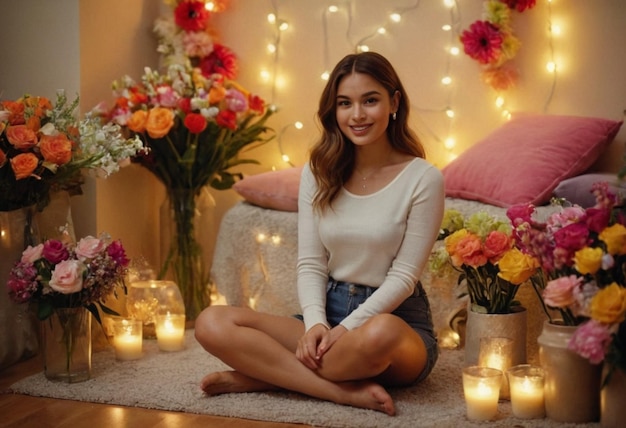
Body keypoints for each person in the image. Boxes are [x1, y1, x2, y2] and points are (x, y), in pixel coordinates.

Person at [195, 51, 445, 416]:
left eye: (370, 100)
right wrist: (316, 323)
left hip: (395, 322)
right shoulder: (320, 170)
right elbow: (311, 262)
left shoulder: (423, 178)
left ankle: (263, 376)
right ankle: (342, 393)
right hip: (328, 313)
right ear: (334, 111)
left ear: (394, 102)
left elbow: (405, 278)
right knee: (211, 322)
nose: (357, 115)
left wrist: (347, 330)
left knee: (381, 333)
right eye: (345, 103)